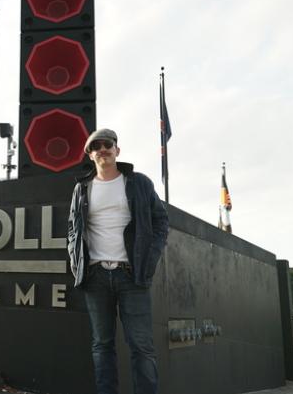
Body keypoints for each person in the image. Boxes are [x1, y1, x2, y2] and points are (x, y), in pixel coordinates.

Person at [67, 128, 169, 394]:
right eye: (96, 146)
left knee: (142, 346)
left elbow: (161, 221)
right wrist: (77, 263)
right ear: (90, 155)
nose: (102, 149)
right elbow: (73, 230)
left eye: (107, 144)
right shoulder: (82, 188)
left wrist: (150, 258)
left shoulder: (139, 183)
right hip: (95, 277)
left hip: (132, 275)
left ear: (117, 150)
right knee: (102, 345)